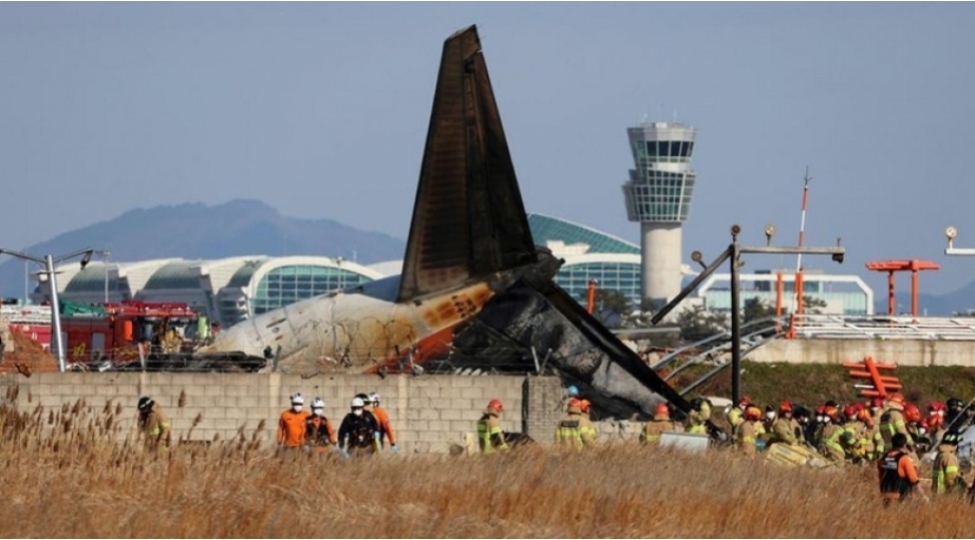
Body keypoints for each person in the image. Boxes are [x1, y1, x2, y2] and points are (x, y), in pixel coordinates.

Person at [878, 433, 924, 505]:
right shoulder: (904, 459)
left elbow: (881, 476)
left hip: (885, 494)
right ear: (904, 445)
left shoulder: (883, 458)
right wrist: (923, 496)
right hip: (900, 496)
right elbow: (913, 479)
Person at [933, 431, 966, 496]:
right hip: (946, 494)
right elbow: (951, 479)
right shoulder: (949, 457)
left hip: (937, 493)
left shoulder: (940, 455)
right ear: (954, 443)